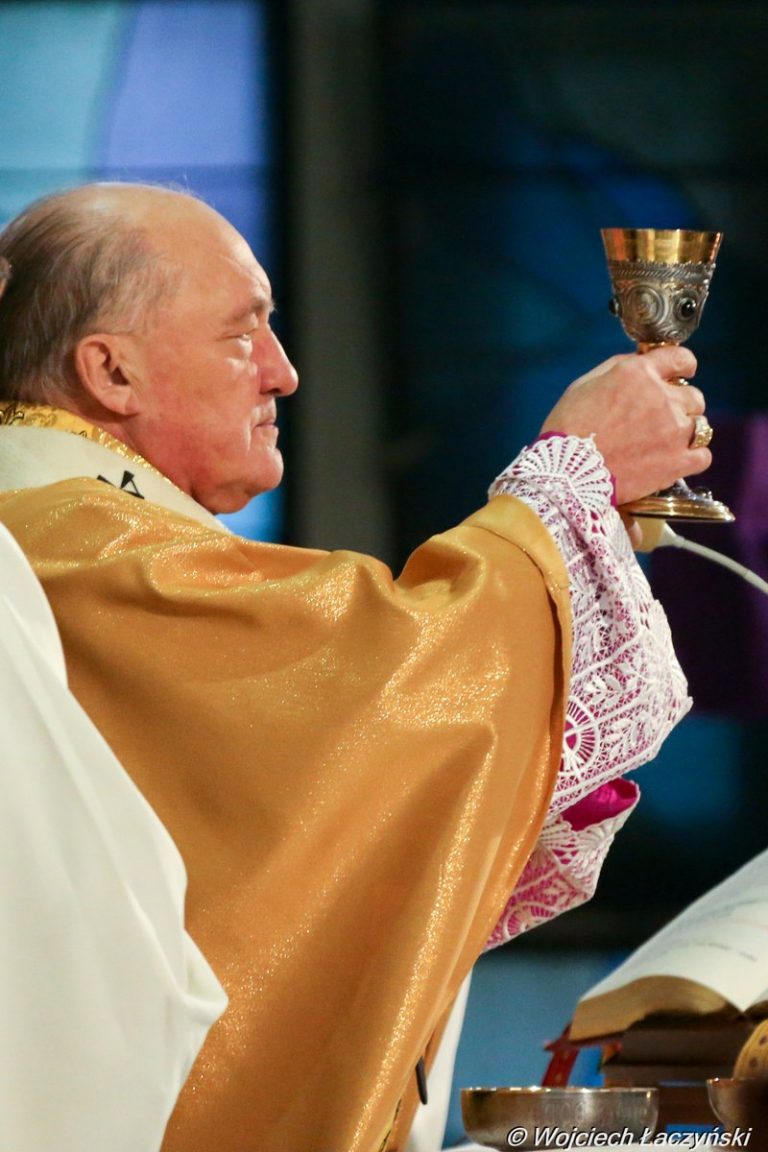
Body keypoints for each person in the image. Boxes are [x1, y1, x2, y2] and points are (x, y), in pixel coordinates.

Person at [0, 183, 711, 1152]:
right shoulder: (68, 547)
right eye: (242, 333)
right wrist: (571, 476)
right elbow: (391, 690)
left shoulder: (73, 532)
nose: (284, 373)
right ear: (110, 371)